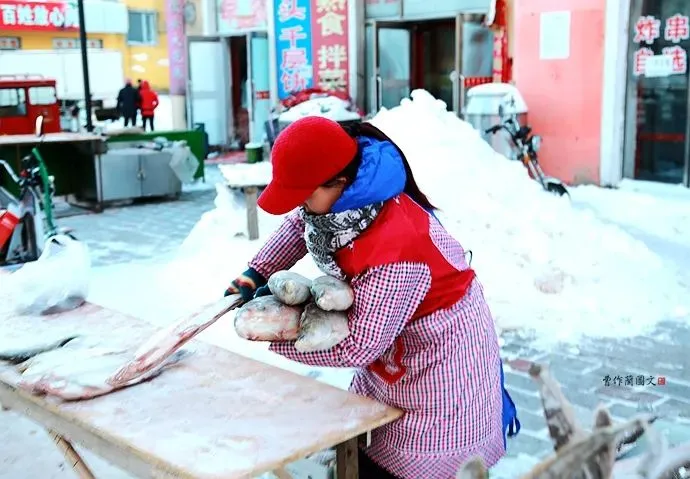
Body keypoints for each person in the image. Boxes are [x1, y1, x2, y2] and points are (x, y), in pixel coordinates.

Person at [224, 117, 520, 479]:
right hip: (396, 345)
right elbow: (301, 224)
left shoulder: (396, 248)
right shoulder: (343, 200)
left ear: (340, 182)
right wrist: (256, 273)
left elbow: (360, 345)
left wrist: (275, 332)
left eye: (305, 195)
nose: (300, 205)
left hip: (441, 366)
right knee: (368, 436)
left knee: (414, 461)